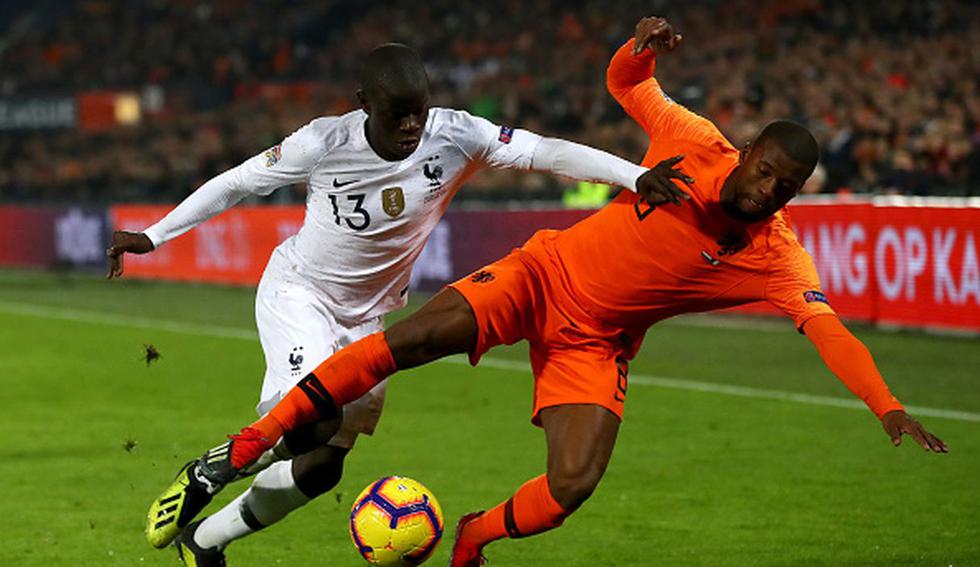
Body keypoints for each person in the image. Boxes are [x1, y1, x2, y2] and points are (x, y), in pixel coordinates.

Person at [158, 19, 948, 566]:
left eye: (787, 185)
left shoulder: (777, 255)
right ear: (746, 155)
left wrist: (886, 404)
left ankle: (470, 541)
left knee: (571, 483)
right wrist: (637, 50)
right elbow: (628, 83)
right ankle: (243, 447)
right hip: (540, 277)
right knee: (411, 343)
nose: (768, 189)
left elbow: (827, 329)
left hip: (595, 342)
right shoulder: (695, 142)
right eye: (764, 169)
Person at [114, 42, 681, 565]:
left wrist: (632, 176)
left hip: (369, 317)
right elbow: (238, 182)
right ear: (364, 105)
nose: (412, 125)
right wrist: (154, 235)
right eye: (397, 114)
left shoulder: (455, 134)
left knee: (321, 469)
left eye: (419, 111)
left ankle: (205, 541)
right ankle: (212, 469)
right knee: (315, 418)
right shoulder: (324, 142)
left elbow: (543, 151)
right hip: (301, 294)